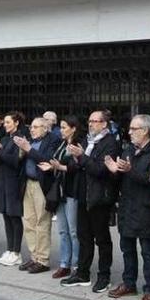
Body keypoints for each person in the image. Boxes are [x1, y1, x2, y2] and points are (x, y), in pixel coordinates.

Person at [106, 114, 150, 300]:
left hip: (146, 207)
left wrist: (129, 170)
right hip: (127, 206)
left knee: (147, 250)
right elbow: (121, 179)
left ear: (145, 130)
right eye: (129, 129)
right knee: (126, 247)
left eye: (133, 129)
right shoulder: (128, 149)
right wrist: (114, 171)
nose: (129, 132)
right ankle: (129, 283)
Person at [61, 110, 119, 293]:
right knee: (83, 236)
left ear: (104, 124)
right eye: (90, 121)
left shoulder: (110, 143)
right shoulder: (87, 140)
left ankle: (104, 276)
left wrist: (82, 157)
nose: (91, 124)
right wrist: (73, 159)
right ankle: (83, 273)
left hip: (99, 197)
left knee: (102, 239)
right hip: (82, 195)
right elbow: (78, 166)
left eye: (95, 121)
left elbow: (101, 170)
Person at [15, 117, 58, 273]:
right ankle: (34, 257)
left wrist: (29, 149)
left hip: (41, 186)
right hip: (28, 184)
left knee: (42, 222)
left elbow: (48, 160)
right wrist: (23, 151)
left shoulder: (52, 140)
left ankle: (43, 259)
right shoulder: (31, 141)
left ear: (45, 128)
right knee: (29, 222)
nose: (31, 129)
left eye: (35, 127)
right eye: (31, 126)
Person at [49, 115, 83, 279]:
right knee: (62, 230)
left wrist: (60, 166)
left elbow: (77, 167)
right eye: (61, 127)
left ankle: (76, 264)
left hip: (72, 191)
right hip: (60, 191)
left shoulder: (77, 144)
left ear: (73, 128)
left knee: (73, 230)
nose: (61, 130)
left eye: (64, 127)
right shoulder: (63, 143)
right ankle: (64, 263)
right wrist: (52, 166)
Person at [0, 111, 26, 266]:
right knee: (5, 214)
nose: (5, 125)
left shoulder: (20, 139)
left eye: (8, 122)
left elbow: (15, 161)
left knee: (14, 216)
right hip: (2, 180)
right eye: (4, 123)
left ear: (16, 123)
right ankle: (10, 249)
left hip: (14, 181)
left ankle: (16, 252)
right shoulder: (4, 139)